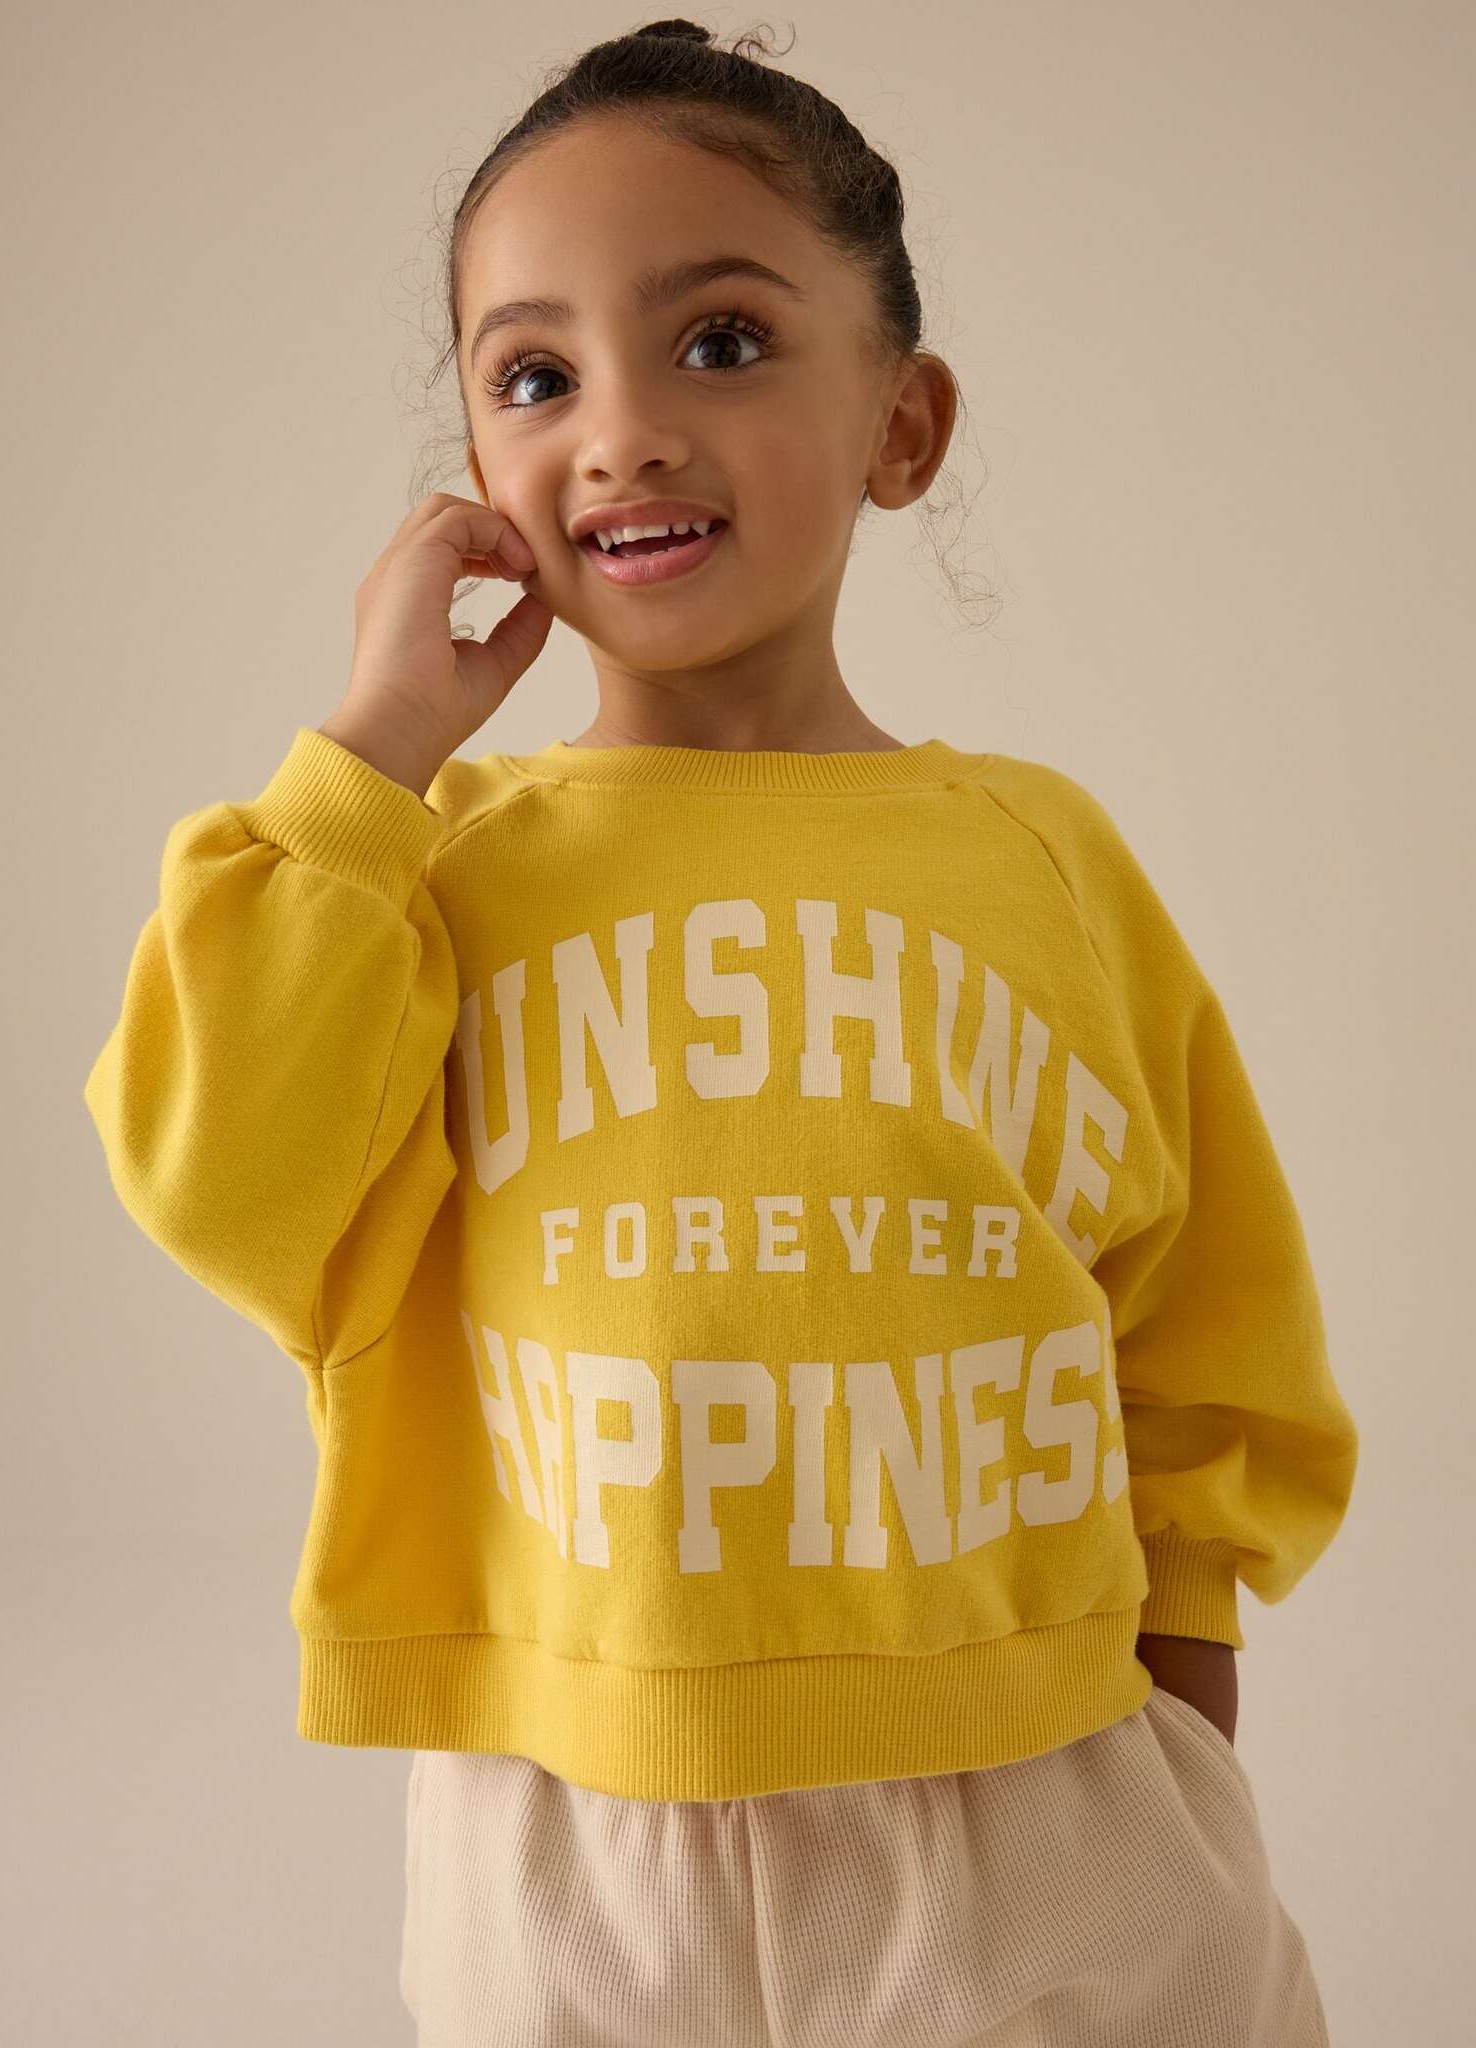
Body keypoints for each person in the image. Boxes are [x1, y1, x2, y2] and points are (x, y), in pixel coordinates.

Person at [83, 17, 1358, 2046]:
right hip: (572, 1832)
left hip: (1036, 1796)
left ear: (902, 423)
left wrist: (1180, 1741)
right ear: (481, 479)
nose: (625, 435)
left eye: (724, 342)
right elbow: (213, 1167)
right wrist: (376, 746)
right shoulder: (422, 869)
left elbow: (1201, 1323)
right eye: (537, 377)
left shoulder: (1037, 856)